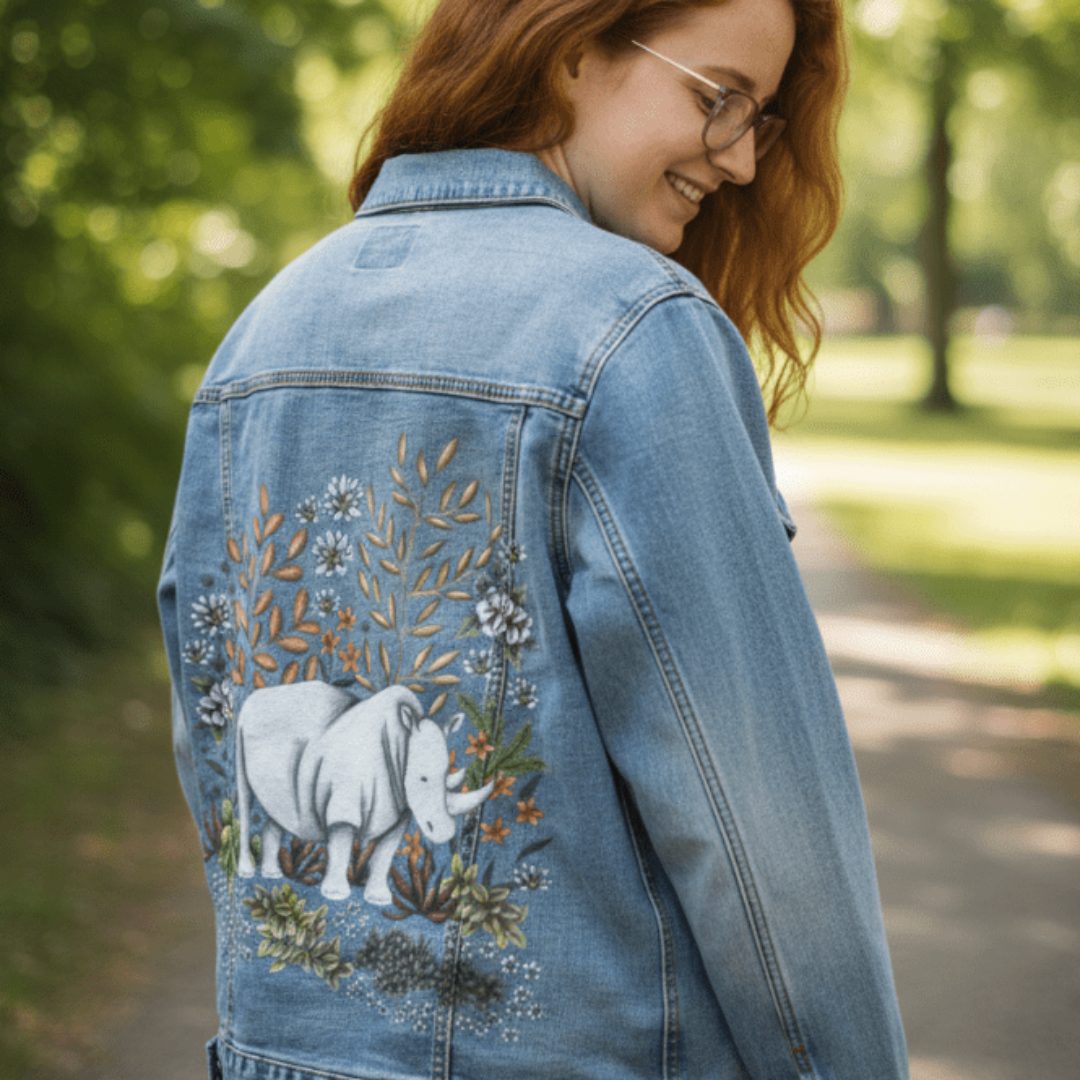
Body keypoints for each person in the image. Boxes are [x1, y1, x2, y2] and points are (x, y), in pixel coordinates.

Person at [158, 0, 909, 1077]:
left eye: (759, 119)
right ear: (571, 49)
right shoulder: (634, 330)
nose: (743, 159)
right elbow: (764, 841)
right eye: (720, 98)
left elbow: (215, 735)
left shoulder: (264, 331)